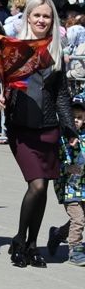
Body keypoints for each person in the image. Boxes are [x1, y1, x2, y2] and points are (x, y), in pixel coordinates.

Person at [0, 0, 75, 268]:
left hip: (49, 129)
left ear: (52, 20)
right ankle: (19, 239)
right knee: (36, 185)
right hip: (22, 128)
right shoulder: (14, 48)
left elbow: (61, 95)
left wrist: (70, 128)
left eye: (46, 16)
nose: (41, 20)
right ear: (27, 17)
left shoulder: (55, 50)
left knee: (42, 191)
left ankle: (31, 245)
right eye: (36, 15)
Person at [48, 101, 85, 265]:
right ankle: (75, 251)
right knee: (79, 219)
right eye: (73, 117)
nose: (76, 120)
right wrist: (67, 168)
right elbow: (53, 163)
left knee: (80, 218)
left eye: (79, 117)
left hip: (82, 186)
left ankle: (58, 234)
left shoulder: (83, 138)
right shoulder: (59, 139)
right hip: (68, 187)